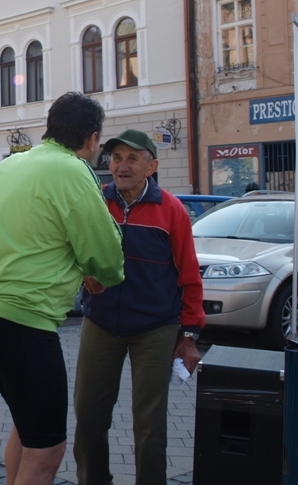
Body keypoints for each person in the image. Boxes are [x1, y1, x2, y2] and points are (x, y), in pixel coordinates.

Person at [0, 91, 125, 485]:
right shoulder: (73, 170)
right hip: (22, 322)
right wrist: (96, 272)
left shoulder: (11, 164)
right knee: (48, 449)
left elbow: (29, 235)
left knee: (28, 427)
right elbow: (106, 257)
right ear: (92, 139)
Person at [73, 129, 206, 485]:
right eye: (117, 158)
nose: (122, 166)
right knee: (88, 417)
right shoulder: (97, 201)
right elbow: (75, 249)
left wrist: (189, 335)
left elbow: (189, 275)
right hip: (101, 323)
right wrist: (84, 274)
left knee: (150, 424)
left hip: (155, 328)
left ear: (151, 166)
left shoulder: (172, 210)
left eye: (133, 158)